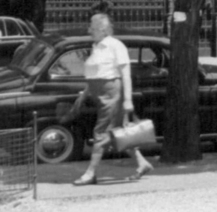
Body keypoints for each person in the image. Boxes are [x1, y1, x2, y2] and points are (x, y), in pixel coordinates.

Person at [60, 12, 153, 186]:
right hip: (100, 94)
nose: (89, 30)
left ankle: (90, 173)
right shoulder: (97, 46)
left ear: (103, 30)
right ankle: (142, 163)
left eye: (92, 27)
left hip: (111, 94)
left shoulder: (115, 46)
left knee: (101, 132)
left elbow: (126, 75)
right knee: (117, 132)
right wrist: (84, 94)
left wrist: (127, 100)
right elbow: (95, 74)